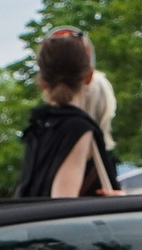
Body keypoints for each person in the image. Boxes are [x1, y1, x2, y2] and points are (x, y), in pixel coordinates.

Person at [12, 31, 114, 199]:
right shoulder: (78, 128)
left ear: (43, 83)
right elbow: (63, 202)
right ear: (89, 77)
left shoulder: (38, 126)